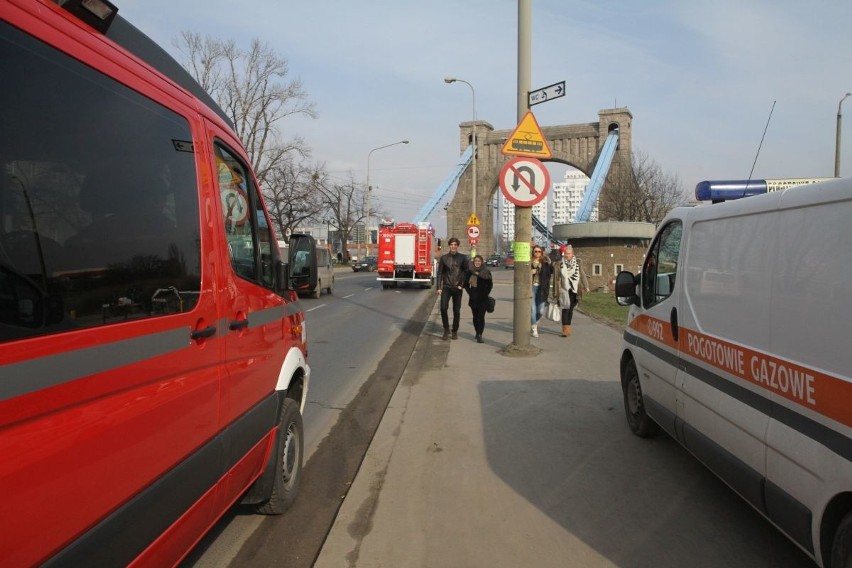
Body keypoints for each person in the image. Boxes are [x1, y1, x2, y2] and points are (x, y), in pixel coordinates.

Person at [435, 237, 470, 340]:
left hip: (457, 288)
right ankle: (446, 329)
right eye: (451, 245)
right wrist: (438, 287)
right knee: (443, 308)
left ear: (457, 246)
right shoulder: (444, 258)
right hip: (446, 286)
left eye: (455, 245)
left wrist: (462, 285)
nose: (453, 246)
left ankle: (454, 331)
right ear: (449, 246)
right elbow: (440, 273)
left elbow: (467, 272)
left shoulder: (463, 258)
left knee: (456, 310)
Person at [551, 244, 581, 337]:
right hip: (563, 289)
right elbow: (556, 278)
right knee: (565, 308)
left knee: (570, 309)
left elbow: (582, 274)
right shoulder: (559, 264)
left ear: (572, 254)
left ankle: (568, 327)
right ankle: (565, 329)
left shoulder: (577, 263)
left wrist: (586, 286)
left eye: (569, 253)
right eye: (566, 253)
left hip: (574, 289)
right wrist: (555, 291)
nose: (567, 255)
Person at [464, 255, 493, 343]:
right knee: (475, 316)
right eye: (475, 261)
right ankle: (477, 331)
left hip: (483, 297)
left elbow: (490, 284)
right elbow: (465, 284)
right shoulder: (470, 271)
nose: (477, 262)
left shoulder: (486, 271)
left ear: (481, 262)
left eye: (479, 261)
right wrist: (470, 292)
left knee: (481, 316)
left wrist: (486, 292)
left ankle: (480, 334)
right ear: (473, 262)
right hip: (473, 297)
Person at [530, 245, 552, 337]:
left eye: (539, 251)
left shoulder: (545, 263)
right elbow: (521, 273)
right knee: (533, 310)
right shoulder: (529, 263)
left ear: (541, 253)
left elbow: (550, 273)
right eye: (536, 251)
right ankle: (534, 328)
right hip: (531, 288)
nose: (537, 253)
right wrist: (530, 272)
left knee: (541, 310)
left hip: (542, 288)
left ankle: (533, 321)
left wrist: (549, 261)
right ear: (533, 252)